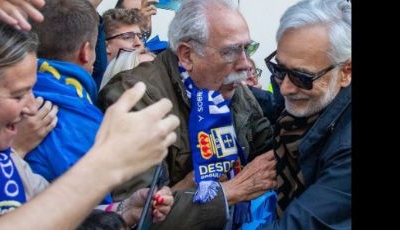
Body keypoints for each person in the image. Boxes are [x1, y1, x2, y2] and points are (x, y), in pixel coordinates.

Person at [99, 0, 277, 229]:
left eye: (247, 48)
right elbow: (138, 218)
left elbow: (268, 149)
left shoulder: (232, 88)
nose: (244, 65)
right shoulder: (135, 97)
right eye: (231, 51)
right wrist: (230, 192)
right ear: (186, 55)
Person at [0, 19, 179, 229]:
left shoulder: (7, 160)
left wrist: (122, 210)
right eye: (18, 95)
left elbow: (50, 209)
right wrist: (105, 164)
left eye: (31, 90)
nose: (31, 106)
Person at [261, 0, 351, 229]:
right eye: (278, 69)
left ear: (345, 72)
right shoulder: (310, 99)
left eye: (303, 77)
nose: (284, 88)